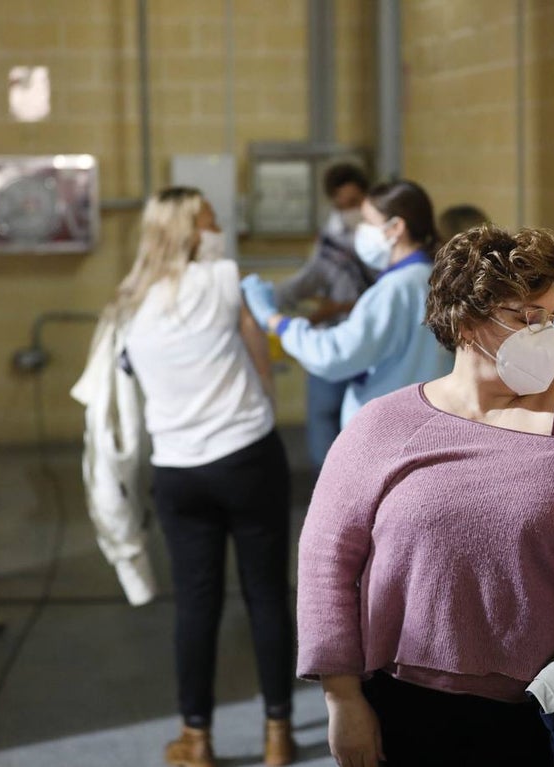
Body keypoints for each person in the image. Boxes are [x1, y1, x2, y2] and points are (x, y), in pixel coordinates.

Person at [295, 224, 554, 766]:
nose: (544, 335)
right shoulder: (384, 426)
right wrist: (342, 697)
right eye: (524, 317)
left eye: (552, 317)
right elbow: (327, 558)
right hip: (407, 704)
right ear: (466, 319)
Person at [114, 187, 297, 767]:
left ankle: (195, 737)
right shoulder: (223, 277)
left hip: (177, 471)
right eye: (211, 218)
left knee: (196, 605)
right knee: (266, 595)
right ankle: (277, 734)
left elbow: (126, 377)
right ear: (192, 228)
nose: (219, 225)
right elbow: (259, 356)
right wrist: (262, 403)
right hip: (246, 456)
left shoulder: (128, 302)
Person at [241, 179, 453, 427]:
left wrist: (275, 321)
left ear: (396, 227)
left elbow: (334, 354)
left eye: (367, 221)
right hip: (425, 420)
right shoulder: (432, 277)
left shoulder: (395, 288)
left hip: (390, 427)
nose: (359, 231)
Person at [273, 162, 375, 472]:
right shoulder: (329, 242)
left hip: (369, 338)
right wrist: (269, 299)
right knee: (323, 413)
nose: (348, 211)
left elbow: (387, 294)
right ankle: (328, 480)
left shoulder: (379, 242)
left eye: (354, 203)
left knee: (365, 416)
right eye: (341, 205)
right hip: (333, 336)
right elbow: (309, 279)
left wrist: (342, 307)